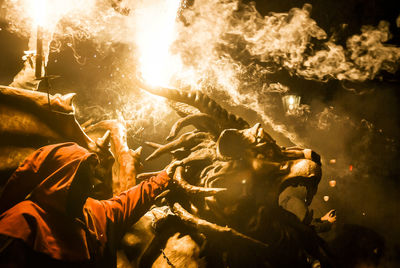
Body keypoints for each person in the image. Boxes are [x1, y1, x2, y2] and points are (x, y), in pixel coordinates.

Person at [0, 142, 173, 267]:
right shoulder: (21, 223)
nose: (91, 186)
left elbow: (127, 201)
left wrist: (166, 175)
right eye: (83, 178)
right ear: (61, 177)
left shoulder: (92, 212)